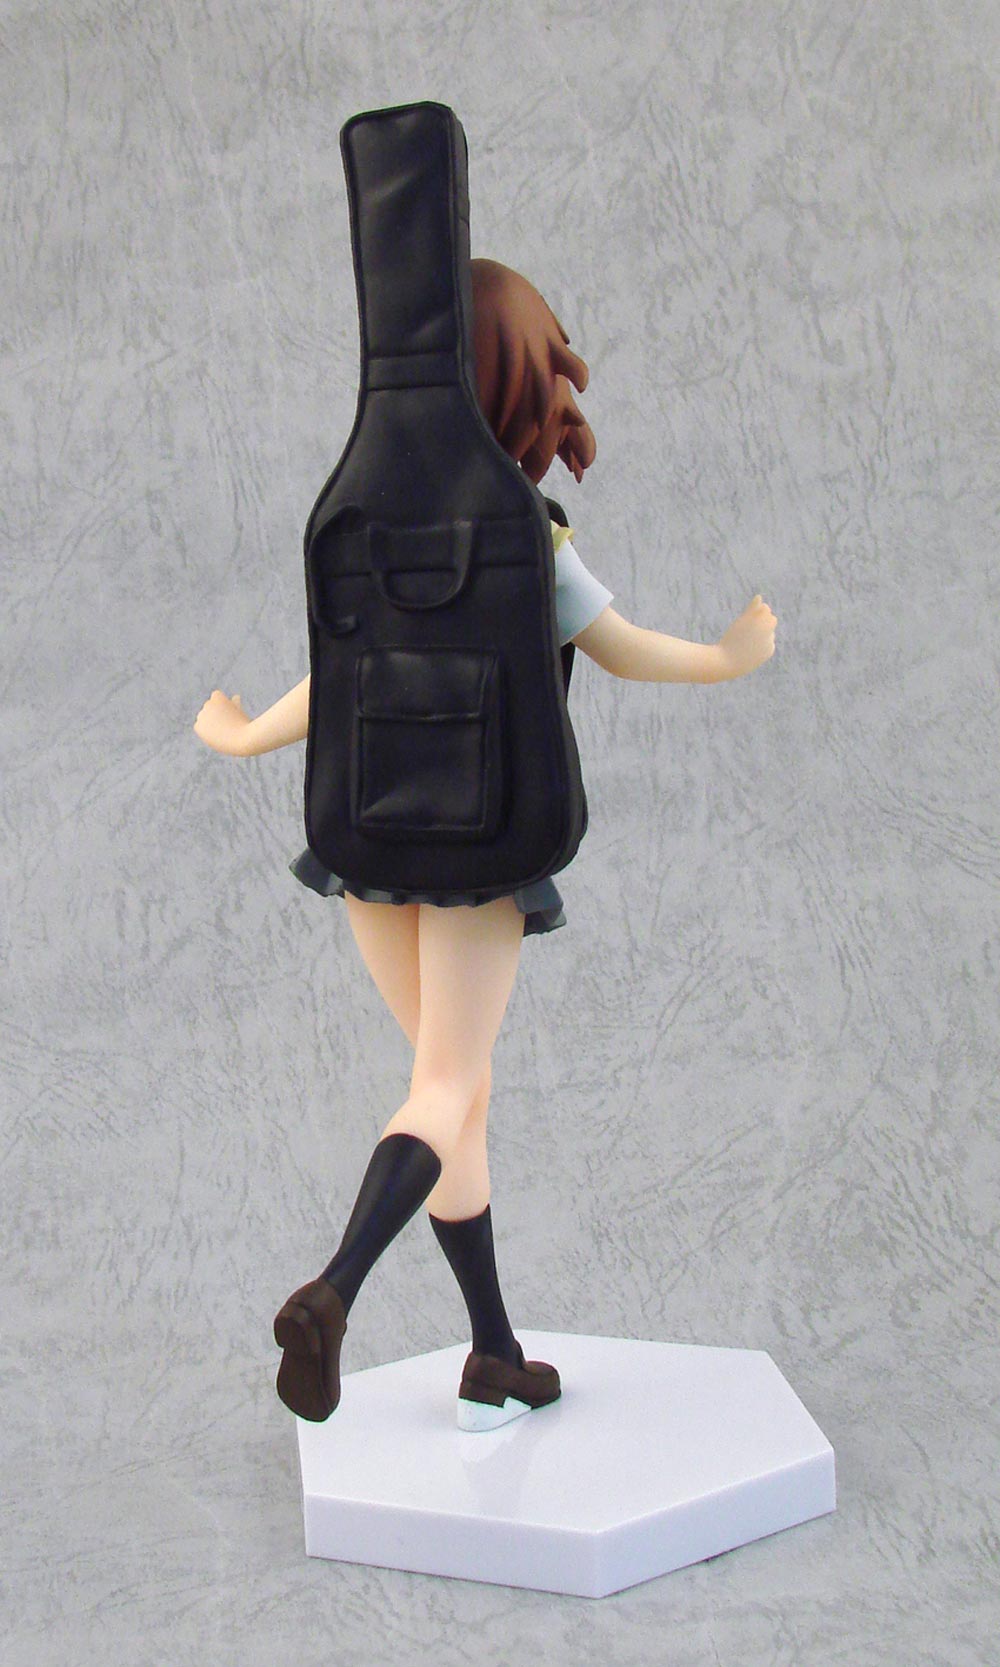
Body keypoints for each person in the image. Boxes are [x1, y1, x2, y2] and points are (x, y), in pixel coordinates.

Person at [193, 258, 778, 1430]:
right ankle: (331, 1288)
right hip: (476, 846)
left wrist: (249, 731)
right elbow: (621, 648)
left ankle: (492, 1352)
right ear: (522, 386)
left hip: (365, 839)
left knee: (457, 1086)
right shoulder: (528, 537)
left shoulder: (371, 520)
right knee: (447, 1083)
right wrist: (725, 657)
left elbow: (342, 676)